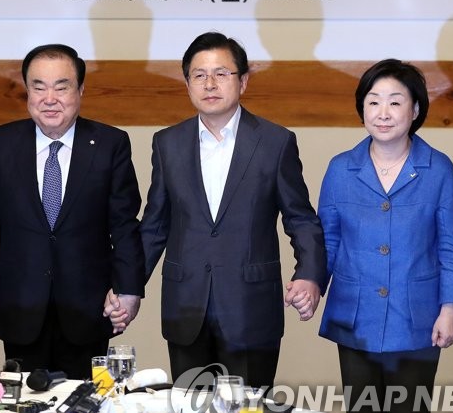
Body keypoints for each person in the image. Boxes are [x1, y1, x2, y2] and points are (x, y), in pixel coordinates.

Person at [139, 32, 326, 389]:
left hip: (251, 309)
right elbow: (154, 225)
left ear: (243, 81)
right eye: (199, 75)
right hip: (185, 309)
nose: (210, 84)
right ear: (187, 83)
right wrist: (128, 286)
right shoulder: (167, 143)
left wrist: (310, 275)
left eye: (221, 73)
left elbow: (300, 218)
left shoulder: (275, 142)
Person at [0, 44, 144, 379]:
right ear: (27, 92)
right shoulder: (0, 144)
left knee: (86, 403)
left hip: (89, 309)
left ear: (80, 90)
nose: (49, 99)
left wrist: (128, 290)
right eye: (38, 87)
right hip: (21, 307)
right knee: (22, 405)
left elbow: (124, 225)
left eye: (61, 87)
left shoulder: (110, 144)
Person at [316, 59, 453, 413]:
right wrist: (312, 285)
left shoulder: (438, 169)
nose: (383, 113)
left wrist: (450, 309)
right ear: (362, 108)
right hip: (355, 319)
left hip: (417, 321)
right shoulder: (341, 169)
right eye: (373, 102)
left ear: (415, 110)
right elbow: (327, 241)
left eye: (395, 102)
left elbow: (452, 246)